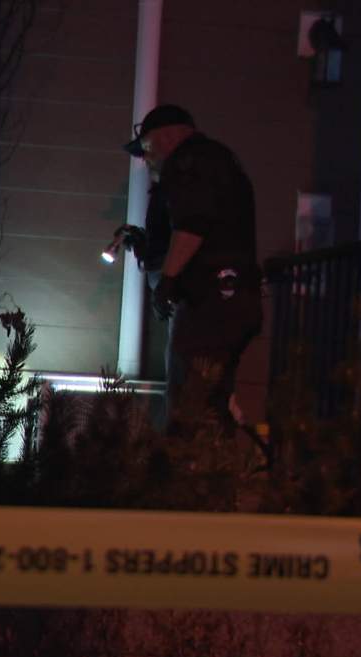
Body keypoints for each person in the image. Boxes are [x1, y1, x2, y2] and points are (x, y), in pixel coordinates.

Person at [118, 104, 262, 431]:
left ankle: (192, 471)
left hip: (209, 302)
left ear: (168, 137)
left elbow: (193, 224)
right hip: (229, 299)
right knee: (210, 396)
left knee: (192, 399)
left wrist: (168, 281)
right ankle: (211, 465)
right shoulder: (216, 164)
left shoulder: (190, 163)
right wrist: (151, 251)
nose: (146, 159)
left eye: (147, 149)